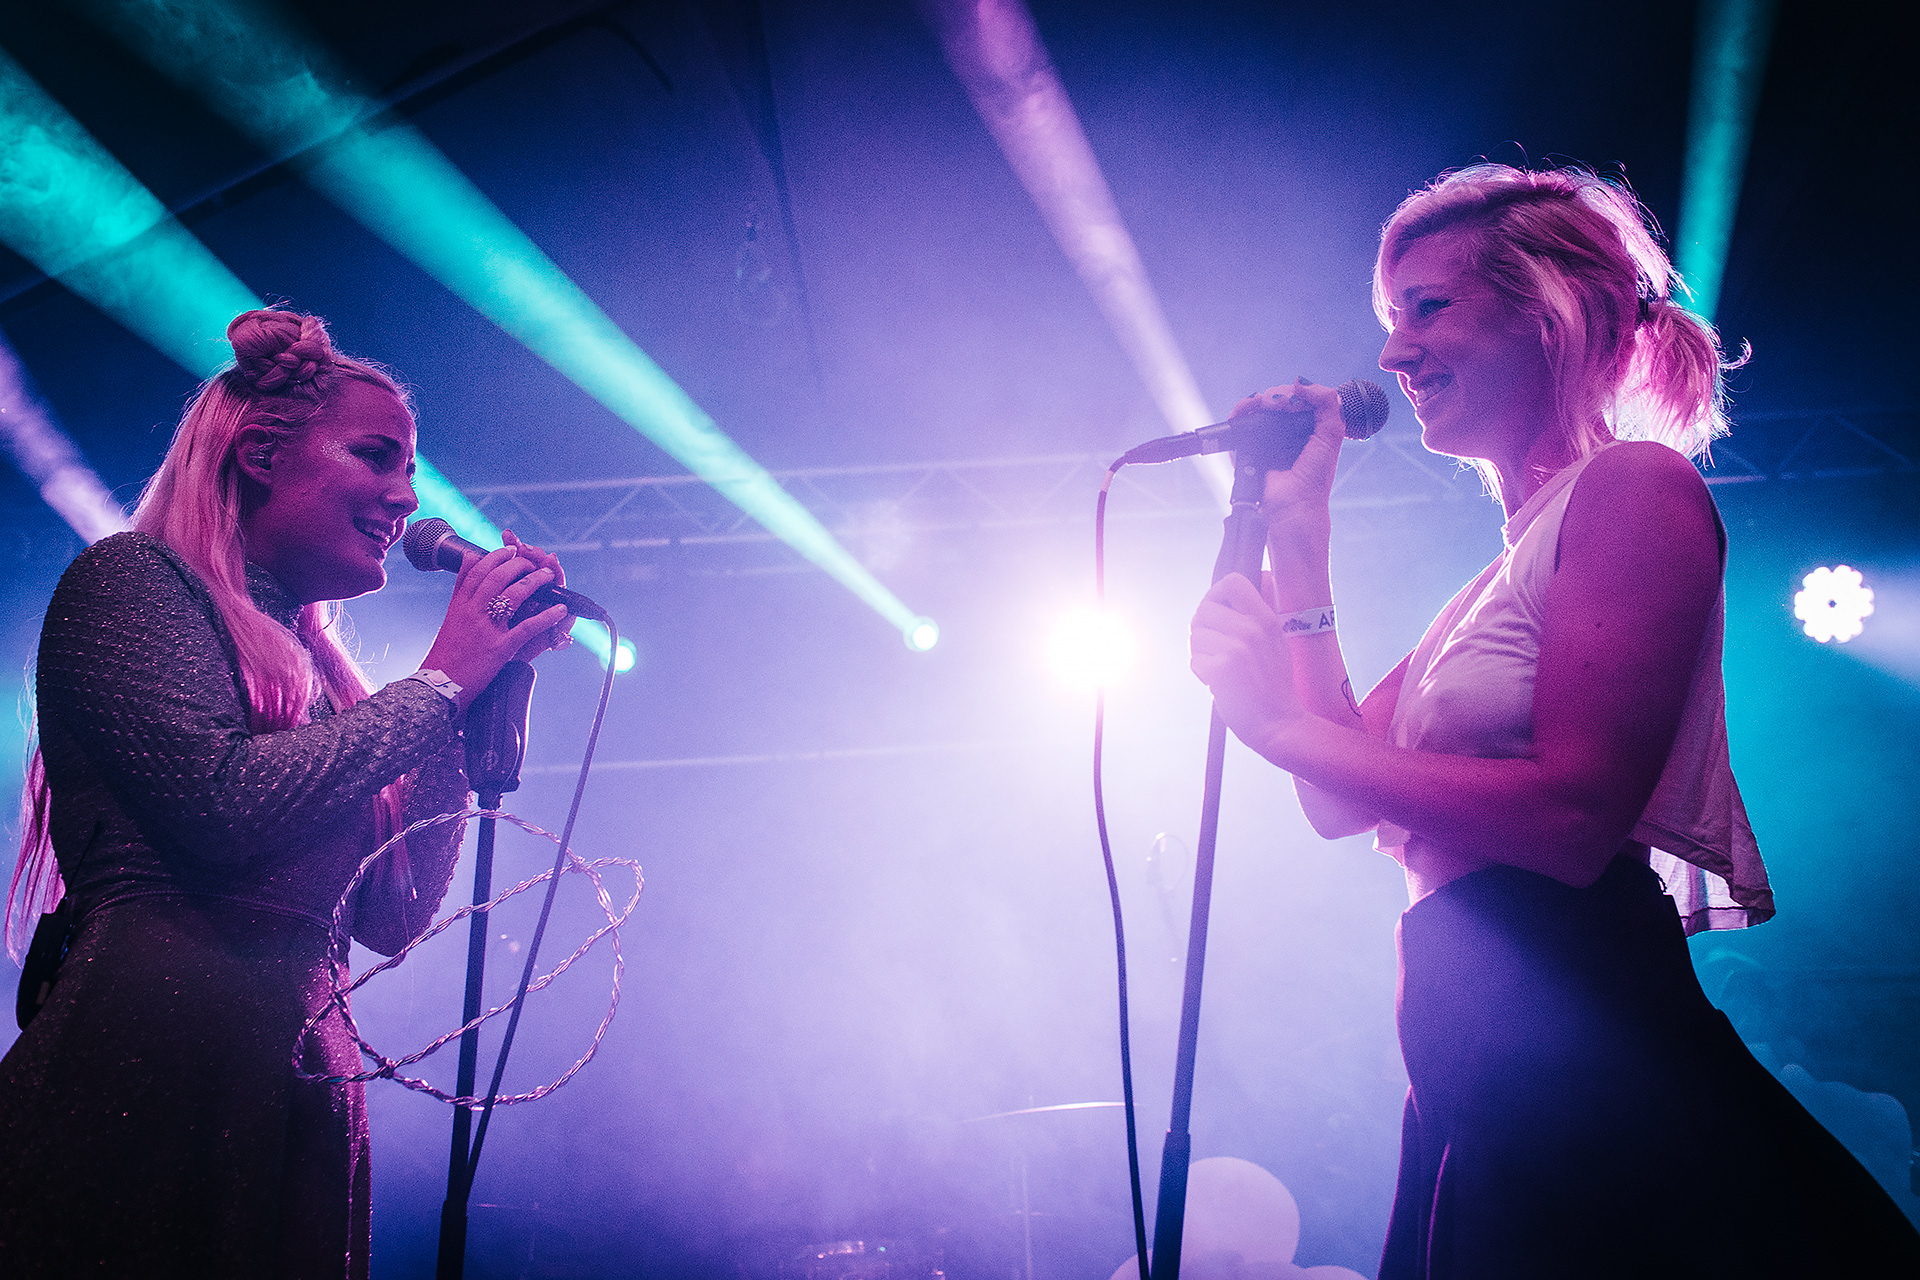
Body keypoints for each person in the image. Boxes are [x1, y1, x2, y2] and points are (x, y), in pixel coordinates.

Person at [1188, 165, 1920, 1277]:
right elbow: (1339, 799)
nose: (1392, 353)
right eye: (1392, 317)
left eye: (1427, 307)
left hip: (1569, 1014)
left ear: (1549, 312)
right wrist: (1301, 532)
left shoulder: (1635, 489)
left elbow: (1574, 819)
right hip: (1476, 1027)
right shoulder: (1493, 579)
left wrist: (1279, 729)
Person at [0, 308, 573, 1278]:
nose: (408, 496)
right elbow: (221, 805)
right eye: (377, 457)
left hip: (299, 1078)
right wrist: (442, 682)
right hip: (147, 1062)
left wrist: (473, 699)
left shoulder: (324, 677)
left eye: (411, 470)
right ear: (261, 454)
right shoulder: (130, 580)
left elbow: (391, 913)